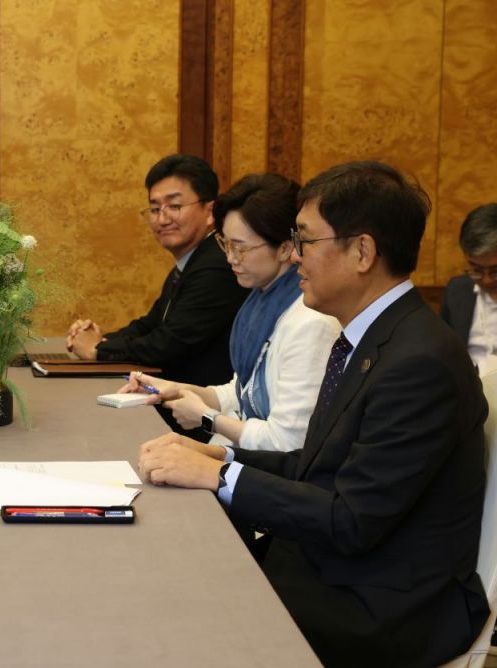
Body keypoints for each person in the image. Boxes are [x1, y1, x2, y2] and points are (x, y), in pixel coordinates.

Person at [137, 161, 489, 667]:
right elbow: (317, 463)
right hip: (335, 569)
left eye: (305, 240)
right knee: (177, 568)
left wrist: (219, 477)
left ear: (362, 251)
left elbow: (351, 519)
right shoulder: (373, 336)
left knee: (183, 608)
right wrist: (218, 456)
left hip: (384, 606)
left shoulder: (419, 362)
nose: (295, 254)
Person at [121, 174, 339, 452]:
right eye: (226, 244)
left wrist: (208, 418)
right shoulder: (260, 301)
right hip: (241, 455)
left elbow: (288, 442)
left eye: (241, 247)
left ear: (285, 248)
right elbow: (240, 393)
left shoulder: (311, 322)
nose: (230, 258)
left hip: (267, 468)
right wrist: (170, 388)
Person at [65, 154, 248, 438]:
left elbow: (169, 343)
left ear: (210, 210)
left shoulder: (217, 265)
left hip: (200, 421)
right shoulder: (192, 261)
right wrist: (102, 339)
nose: (162, 218)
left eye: (174, 206)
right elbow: (150, 325)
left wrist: (98, 350)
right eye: (154, 208)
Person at [441, 203, 497, 374]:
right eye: (476, 270)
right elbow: (442, 351)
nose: (486, 280)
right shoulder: (457, 290)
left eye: (495, 271)